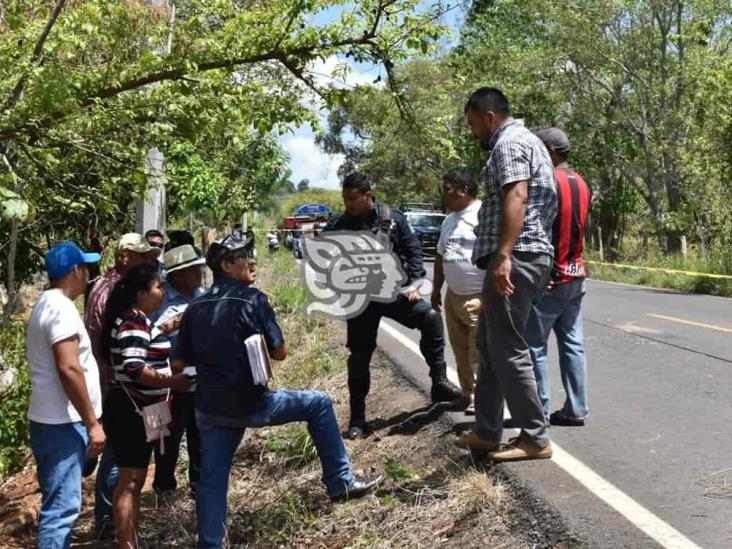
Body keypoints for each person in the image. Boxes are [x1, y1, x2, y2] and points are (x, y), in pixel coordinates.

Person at [175, 233, 382, 549]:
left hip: (211, 408)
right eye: (245, 255)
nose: (252, 260)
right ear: (228, 265)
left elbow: (178, 361)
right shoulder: (253, 299)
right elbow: (281, 351)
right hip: (252, 403)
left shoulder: (195, 307)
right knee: (319, 403)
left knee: (212, 481)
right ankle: (341, 482)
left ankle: (211, 542)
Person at [457, 87, 557, 462]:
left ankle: (535, 436)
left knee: (508, 346)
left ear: (489, 116)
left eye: (473, 124)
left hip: (517, 256)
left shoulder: (509, 143)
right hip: (522, 254)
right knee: (490, 343)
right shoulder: (524, 141)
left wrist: (503, 255)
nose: (473, 132)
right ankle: (487, 430)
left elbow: (517, 195)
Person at [325, 171, 464, 439]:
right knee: (359, 356)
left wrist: (414, 283)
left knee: (431, 318)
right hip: (363, 300)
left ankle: (439, 382)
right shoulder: (338, 225)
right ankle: (357, 419)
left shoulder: (393, 219)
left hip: (395, 293)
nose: (348, 204)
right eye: (345, 199)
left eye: (353, 198)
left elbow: (414, 254)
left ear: (369, 196)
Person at [102, 264, 190, 548]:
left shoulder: (139, 321)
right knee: (130, 481)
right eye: (157, 287)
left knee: (135, 480)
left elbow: (143, 350)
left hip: (143, 410)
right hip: (132, 412)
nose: (162, 292)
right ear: (141, 294)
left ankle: (132, 540)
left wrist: (166, 327)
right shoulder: (132, 322)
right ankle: (126, 543)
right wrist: (172, 381)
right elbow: (135, 367)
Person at [26, 242, 105, 548]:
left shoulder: (46, 303)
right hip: (63, 424)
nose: (88, 274)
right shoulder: (61, 309)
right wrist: (92, 423)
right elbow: (69, 368)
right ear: (76, 271)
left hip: (50, 421)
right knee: (61, 510)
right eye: (85, 267)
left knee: (57, 503)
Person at [84, 233, 161, 538]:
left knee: (123, 461)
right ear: (124, 257)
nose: (147, 263)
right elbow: (125, 352)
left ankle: (115, 526)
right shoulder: (116, 293)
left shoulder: (108, 287)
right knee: (123, 464)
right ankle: (110, 525)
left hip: (119, 386)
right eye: (142, 257)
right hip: (120, 388)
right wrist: (169, 380)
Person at [526, 128, 592, 426]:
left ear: (550, 151)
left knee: (534, 345)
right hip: (576, 273)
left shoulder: (547, 181)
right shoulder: (582, 183)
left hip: (550, 277)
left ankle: (538, 411)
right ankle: (576, 409)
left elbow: (538, 228)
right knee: (572, 343)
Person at [149, 245, 206, 502]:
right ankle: (163, 489)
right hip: (163, 385)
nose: (200, 273)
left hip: (198, 382)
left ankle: (199, 486)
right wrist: (168, 326)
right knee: (164, 441)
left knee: (200, 435)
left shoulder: (202, 296)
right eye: (195, 269)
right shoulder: (157, 301)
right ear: (179, 274)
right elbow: (142, 338)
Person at [431, 169, 483, 409]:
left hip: (478, 295)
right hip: (453, 296)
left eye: (448, 189)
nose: (443, 194)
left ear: (463, 191)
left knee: (478, 353)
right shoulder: (449, 220)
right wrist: (436, 289)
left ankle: (484, 399)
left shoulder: (482, 215)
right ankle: (468, 394)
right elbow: (441, 256)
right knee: (460, 351)